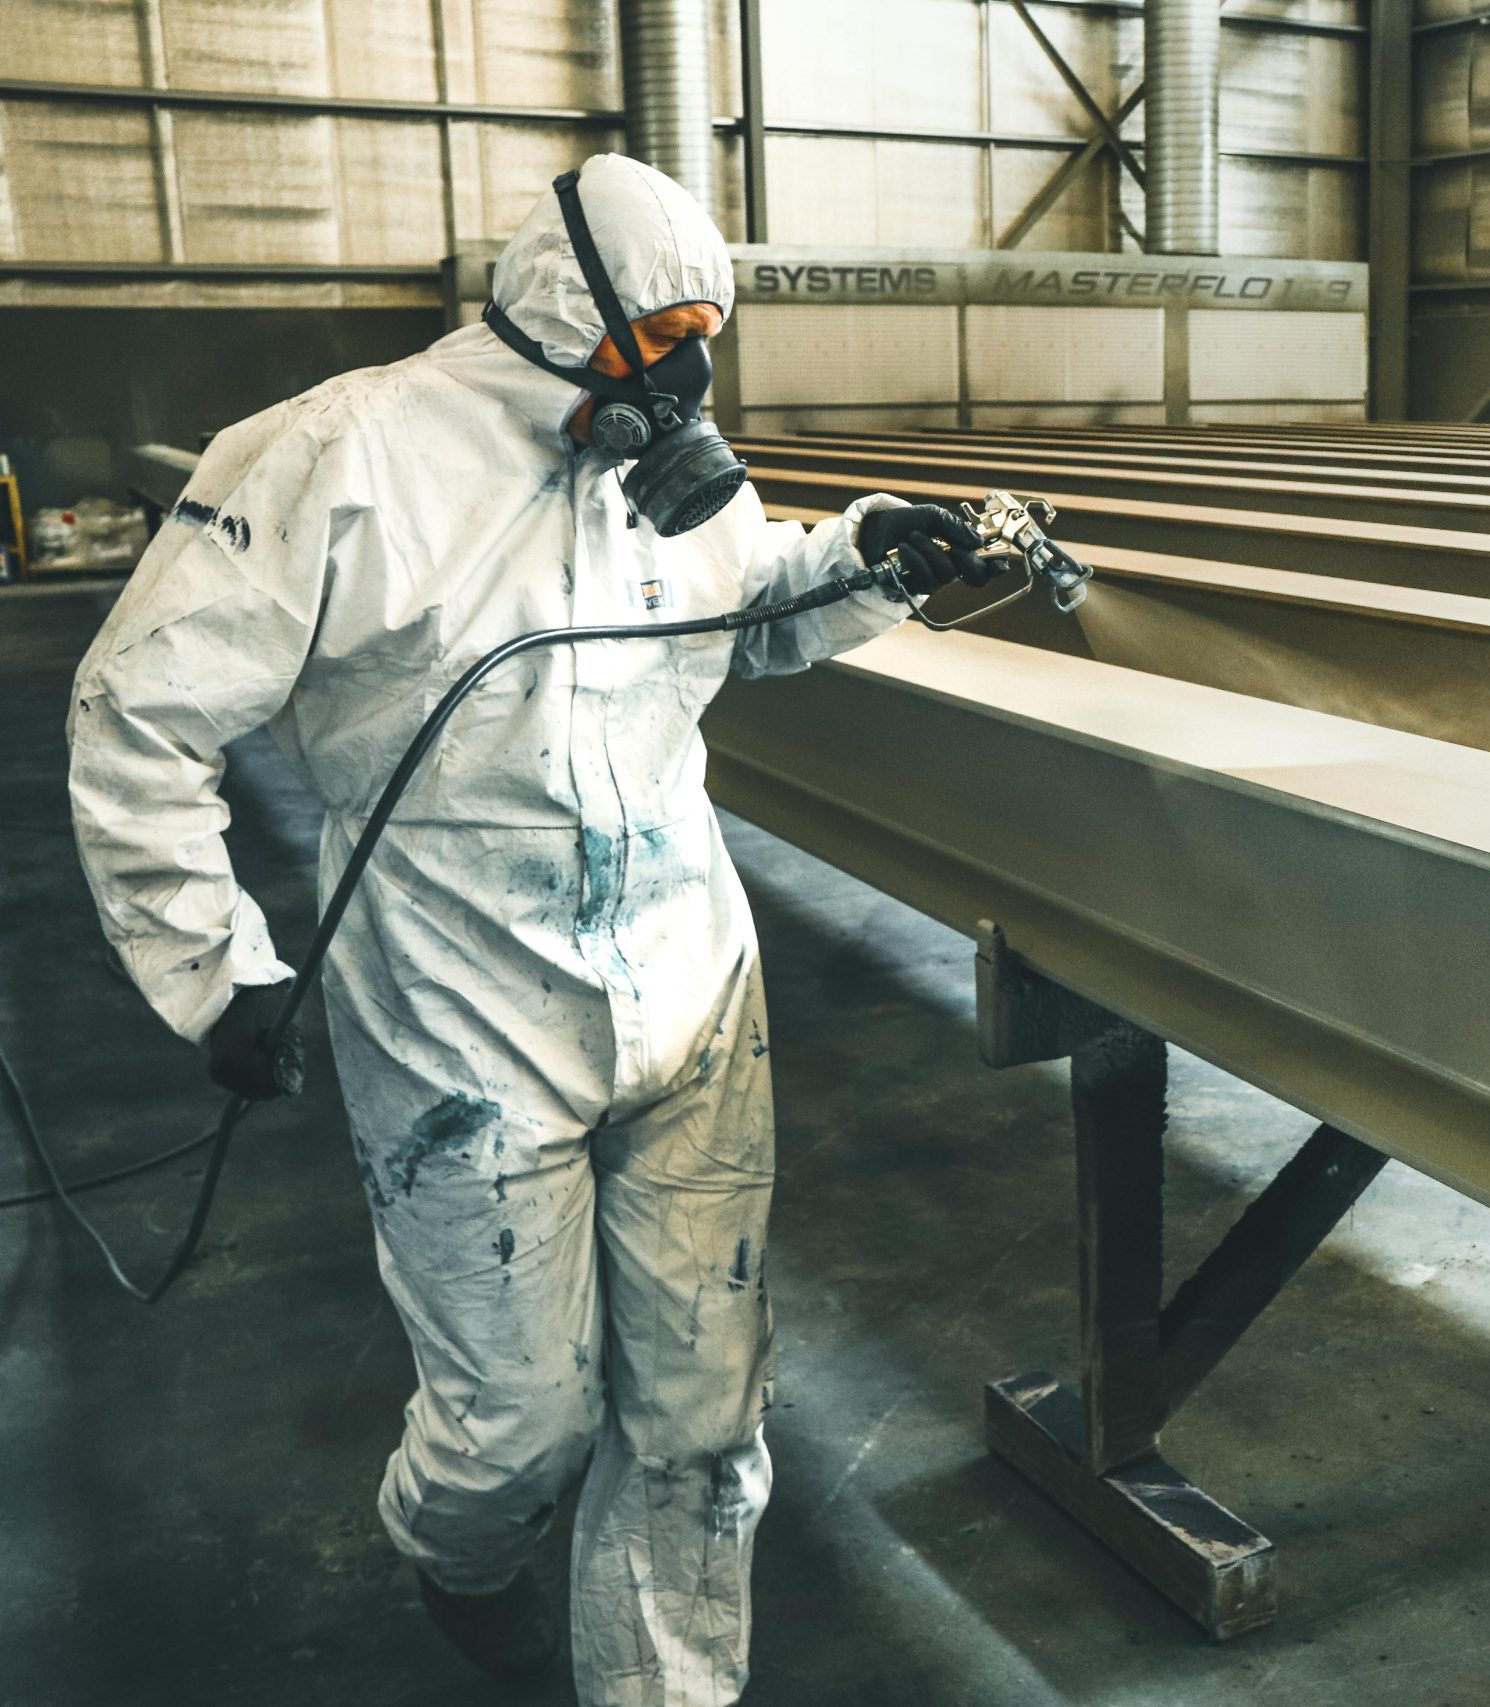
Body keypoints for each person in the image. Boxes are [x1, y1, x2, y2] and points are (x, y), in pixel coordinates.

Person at [65, 153, 991, 1705]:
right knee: (520, 1421)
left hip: (690, 983)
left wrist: (864, 556)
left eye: (708, 333)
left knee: (705, 1417)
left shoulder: (666, 463)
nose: (689, 377)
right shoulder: (332, 460)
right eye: (659, 340)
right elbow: (134, 717)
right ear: (562, 322)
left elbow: (747, 604)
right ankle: (459, 1552)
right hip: (458, 1010)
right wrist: (218, 972)